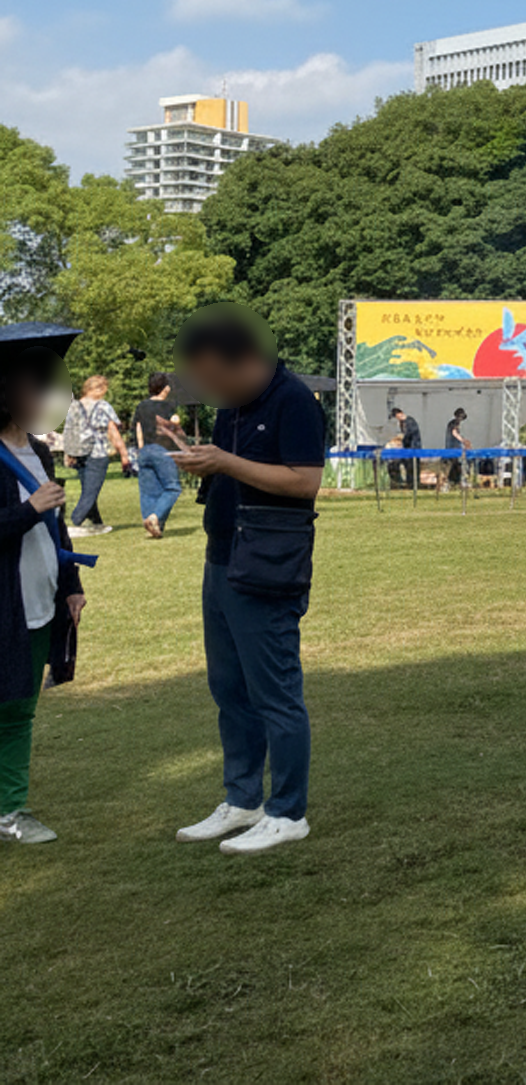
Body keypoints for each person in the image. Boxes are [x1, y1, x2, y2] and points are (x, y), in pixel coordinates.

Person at [167, 307, 325, 855]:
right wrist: (201, 460)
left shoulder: (294, 401)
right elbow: (227, 469)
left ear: (246, 360)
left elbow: (304, 481)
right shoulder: (230, 407)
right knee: (229, 689)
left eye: (214, 374)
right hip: (221, 557)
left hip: (269, 562)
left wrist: (225, 462)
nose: (209, 387)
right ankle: (242, 799)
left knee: (275, 692)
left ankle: (288, 811)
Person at [0, 334, 87, 845]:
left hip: (39, 601)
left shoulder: (36, 450)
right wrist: (27, 510)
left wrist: (71, 584)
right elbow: (34, 512)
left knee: (19, 711)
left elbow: (57, 525)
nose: (44, 398)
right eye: (34, 387)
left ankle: (10, 811)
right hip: (4, 605)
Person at [63, 375, 126, 537]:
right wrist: (123, 453)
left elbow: (69, 431)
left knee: (88, 488)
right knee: (91, 491)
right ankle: (75, 520)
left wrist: (68, 453)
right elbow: (112, 430)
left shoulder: (74, 406)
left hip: (79, 452)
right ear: (100, 388)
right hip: (97, 452)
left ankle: (96, 522)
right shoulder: (103, 406)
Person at [133, 370, 184, 539]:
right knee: (172, 487)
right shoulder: (168, 406)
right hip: (162, 450)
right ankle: (155, 517)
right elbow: (174, 423)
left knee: (149, 492)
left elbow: (138, 427)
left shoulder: (142, 406)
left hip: (145, 450)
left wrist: (141, 448)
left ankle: (153, 526)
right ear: (166, 388)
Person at [386, 405, 421, 489]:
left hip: (413, 450)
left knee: (412, 469)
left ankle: (413, 485)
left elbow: (408, 436)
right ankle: (402, 483)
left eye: (396, 416)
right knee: (397, 465)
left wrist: (400, 440)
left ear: (400, 414)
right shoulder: (404, 423)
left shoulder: (410, 422)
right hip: (407, 450)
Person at [442, 407, 470, 489]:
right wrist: (463, 441)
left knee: (456, 465)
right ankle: (447, 483)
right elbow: (454, 433)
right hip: (452, 449)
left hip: (455, 449)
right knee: (451, 466)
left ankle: (456, 482)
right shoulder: (453, 423)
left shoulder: (454, 423)